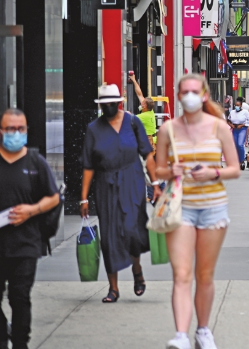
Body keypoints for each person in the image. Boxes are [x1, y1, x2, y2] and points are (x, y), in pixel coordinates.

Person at [155, 74, 240, 349]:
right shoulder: (168, 129)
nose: (189, 96)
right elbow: (157, 170)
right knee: (181, 274)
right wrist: (172, 170)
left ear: (204, 95)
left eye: (194, 91)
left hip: (213, 207)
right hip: (180, 208)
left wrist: (212, 172)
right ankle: (181, 334)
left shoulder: (219, 128)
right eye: (184, 92)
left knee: (205, 275)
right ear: (178, 96)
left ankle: (203, 330)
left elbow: (235, 169)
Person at [80, 84, 161, 304]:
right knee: (108, 236)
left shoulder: (133, 123)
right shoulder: (94, 129)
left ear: (119, 103)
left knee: (131, 230)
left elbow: (148, 155)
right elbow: (88, 165)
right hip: (105, 184)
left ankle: (136, 269)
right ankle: (113, 288)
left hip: (132, 180)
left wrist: (155, 184)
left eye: (111, 104)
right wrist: (84, 197)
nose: (108, 107)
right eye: (104, 104)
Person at [0, 108, 60, 349]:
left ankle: (21, 343)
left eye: (20, 129)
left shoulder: (36, 162)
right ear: (1, 131)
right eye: (10, 129)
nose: (16, 133)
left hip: (26, 243)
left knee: (19, 296)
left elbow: (54, 197)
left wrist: (31, 210)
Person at [128, 74, 158, 155]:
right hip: (151, 140)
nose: (141, 103)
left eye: (143, 103)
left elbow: (129, 117)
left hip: (147, 142)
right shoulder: (150, 111)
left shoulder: (144, 116)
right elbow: (139, 94)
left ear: (145, 106)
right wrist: (134, 80)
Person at [227, 98, 249, 170]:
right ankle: (238, 161)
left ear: (241, 106)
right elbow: (228, 120)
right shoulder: (232, 112)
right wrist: (231, 125)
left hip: (242, 129)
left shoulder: (245, 112)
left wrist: (242, 125)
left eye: (238, 105)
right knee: (236, 145)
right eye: (235, 105)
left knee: (240, 144)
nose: (237, 106)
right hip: (235, 128)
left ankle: (242, 160)